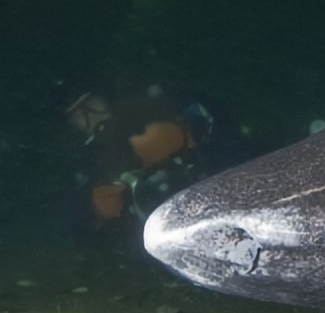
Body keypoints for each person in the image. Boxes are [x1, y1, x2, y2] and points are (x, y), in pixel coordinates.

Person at [65, 85, 247, 235]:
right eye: (79, 116)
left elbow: (208, 118)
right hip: (164, 223)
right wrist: (100, 210)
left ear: (105, 100)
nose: (90, 114)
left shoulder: (145, 109)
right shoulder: (91, 164)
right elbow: (85, 224)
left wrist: (187, 133)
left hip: (214, 183)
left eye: (93, 103)